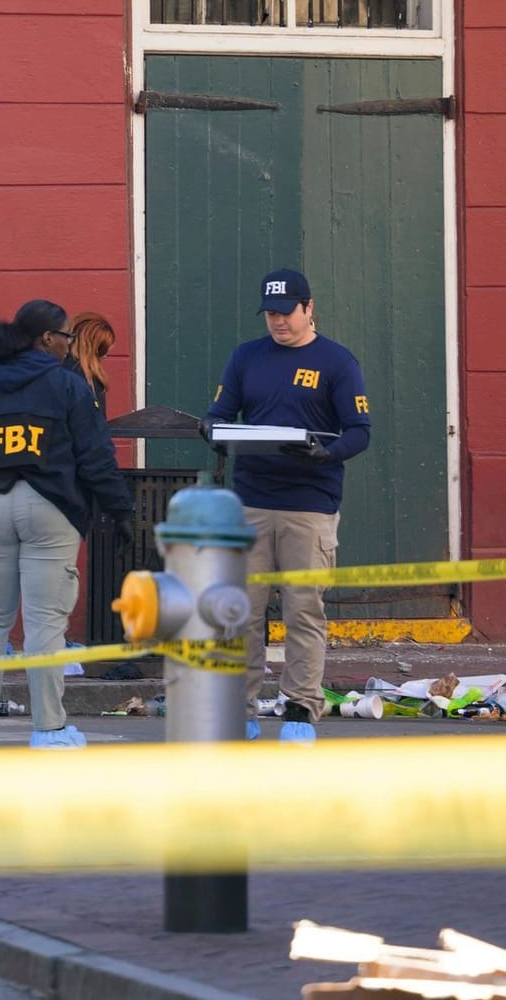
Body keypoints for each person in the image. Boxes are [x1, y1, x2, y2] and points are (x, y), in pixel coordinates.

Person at [0, 299, 135, 750]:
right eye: (66, 337)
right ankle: (49, 728)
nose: (70, 346)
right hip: (50, 507)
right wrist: (121, 510)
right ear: (47, 338)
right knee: (45, 623)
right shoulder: (68, 387)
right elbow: (95, 455)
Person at [203, 269, 371, 744]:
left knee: (303, 610)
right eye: (271, 313)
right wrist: (212, 431)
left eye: (286, 312)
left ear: (309, 308)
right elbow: (220, 414)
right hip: (250, 502)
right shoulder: (246, 357)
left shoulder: (337, 361)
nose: (278, 321)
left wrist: (327, 453)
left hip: (309, 506)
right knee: (243, 612)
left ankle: (299, 706)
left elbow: (360, 430)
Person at [61, 312, 116, 413]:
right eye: (103, 352)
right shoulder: (85, 377)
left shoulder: (51, 367)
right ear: (95, 349)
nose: (105, 356)